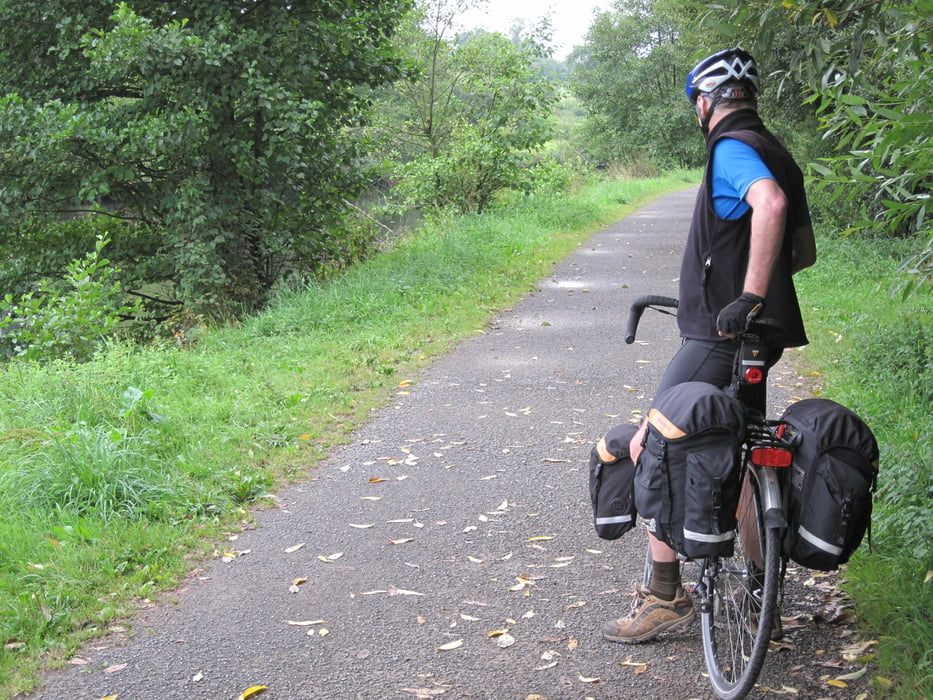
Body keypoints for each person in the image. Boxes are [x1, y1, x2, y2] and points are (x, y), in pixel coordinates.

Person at [601, 47, 817, 644]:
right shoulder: (781, 153)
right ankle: (760, 591)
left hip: (719, 339)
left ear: (705, 103)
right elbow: (802, 254)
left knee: (657, 441)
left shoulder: (730, 148)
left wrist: (742, 295)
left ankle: (664, 594)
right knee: (744, 449)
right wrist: (761, 291)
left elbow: (766, 204)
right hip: (764, 340)